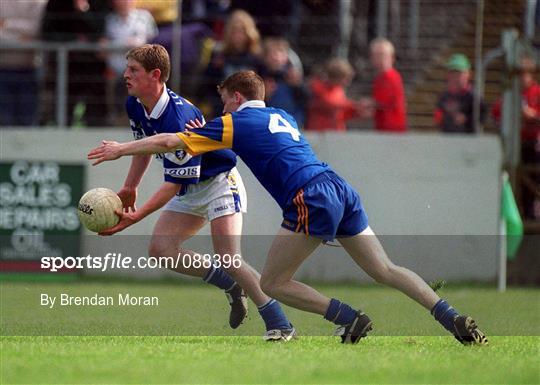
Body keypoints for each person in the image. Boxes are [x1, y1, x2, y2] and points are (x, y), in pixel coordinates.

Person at [88, 70, 489, 345]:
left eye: (224, 101)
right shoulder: (282, 114)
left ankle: (348, 317)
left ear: (237, 97)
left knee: (272, 283)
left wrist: (121, 149)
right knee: (385, 269)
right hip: (339, 187)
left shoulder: (234, 123)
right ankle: (449, 316)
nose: (222, 109)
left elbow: (167, 142)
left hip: (308, 197)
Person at [97, 45, 294, 341]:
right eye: (127, 69)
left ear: (156, 75)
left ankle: (279, 322)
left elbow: (172, 184)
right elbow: (146, 146)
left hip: (219, 184)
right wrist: (130, 186)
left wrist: (135, 217)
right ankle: (229, 284)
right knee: (162, 251)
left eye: (133, 70)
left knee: (230, 258)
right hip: (190, 187)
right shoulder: (135, 104)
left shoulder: (179, 114)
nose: (125, 75)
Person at [491, 56, 540, 220]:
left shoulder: (537, 92)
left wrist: (531, 116)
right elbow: (495, 115)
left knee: (530, 182)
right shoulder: (509, 95)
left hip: (531, 144)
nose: (522, 77)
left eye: (526, 73)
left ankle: (530, 214)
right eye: (519, 74)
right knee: (511, 182)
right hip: (513, 145)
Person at [199, 10, 262, 118]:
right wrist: (214, 68)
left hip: (250, 111)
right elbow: (204, 87)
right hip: (223, 109)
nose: (237, 35)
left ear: (249, 32)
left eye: (241, 31)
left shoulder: (256, 58)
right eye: (234, 31)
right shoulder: (219, 56)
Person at [104, 0, 158, 124]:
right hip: (115, 67)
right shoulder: (110, 20)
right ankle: (115, 119)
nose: (124, 3)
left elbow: (153, 41)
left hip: (141, 68)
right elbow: (104, 44)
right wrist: (125, 44)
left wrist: (136, 44)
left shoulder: (144, 17)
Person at [0, 0, 47, 126]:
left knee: (28, 122)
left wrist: (6, 23)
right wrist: (22, 39)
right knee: (4, 123)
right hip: (2, 71)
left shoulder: (38, 3)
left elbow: (36, 29)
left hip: (29, 70)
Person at [305, 58, 368, 132]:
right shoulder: (318, 87)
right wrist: (355, 105)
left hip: (336, 130)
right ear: (336, 77)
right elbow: (330, 103)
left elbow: (342, 113)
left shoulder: (339, 90)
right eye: (346, 79)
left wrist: (357, 111)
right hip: (319, 131)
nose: (348, 83)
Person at [259, 37, 307, 127]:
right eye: (272, 53)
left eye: (280, 53)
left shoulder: (293, 77)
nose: (276, 57)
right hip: (267, 125)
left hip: (292, 124)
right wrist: (263, 96)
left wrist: (298, 86)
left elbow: (305, 101)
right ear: (265, 57)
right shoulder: (259, 78)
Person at [434, 53, 485, 133]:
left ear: (468, 74)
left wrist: (466, 119)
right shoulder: (444, 96)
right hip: (447, 139)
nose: (454, 77)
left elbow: (482, 116)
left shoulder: (473, 97)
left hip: (468, 140)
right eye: (451, 72)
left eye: (458, 73)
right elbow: (439, 115)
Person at [369, 38, 407, 133]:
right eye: (376, 55)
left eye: (382, 55)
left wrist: (365, 104)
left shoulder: (392, 77)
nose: (379, 59)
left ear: (392, 58)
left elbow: (383, 102)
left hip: (393, 130)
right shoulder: (378, 79)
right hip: (382, 128)